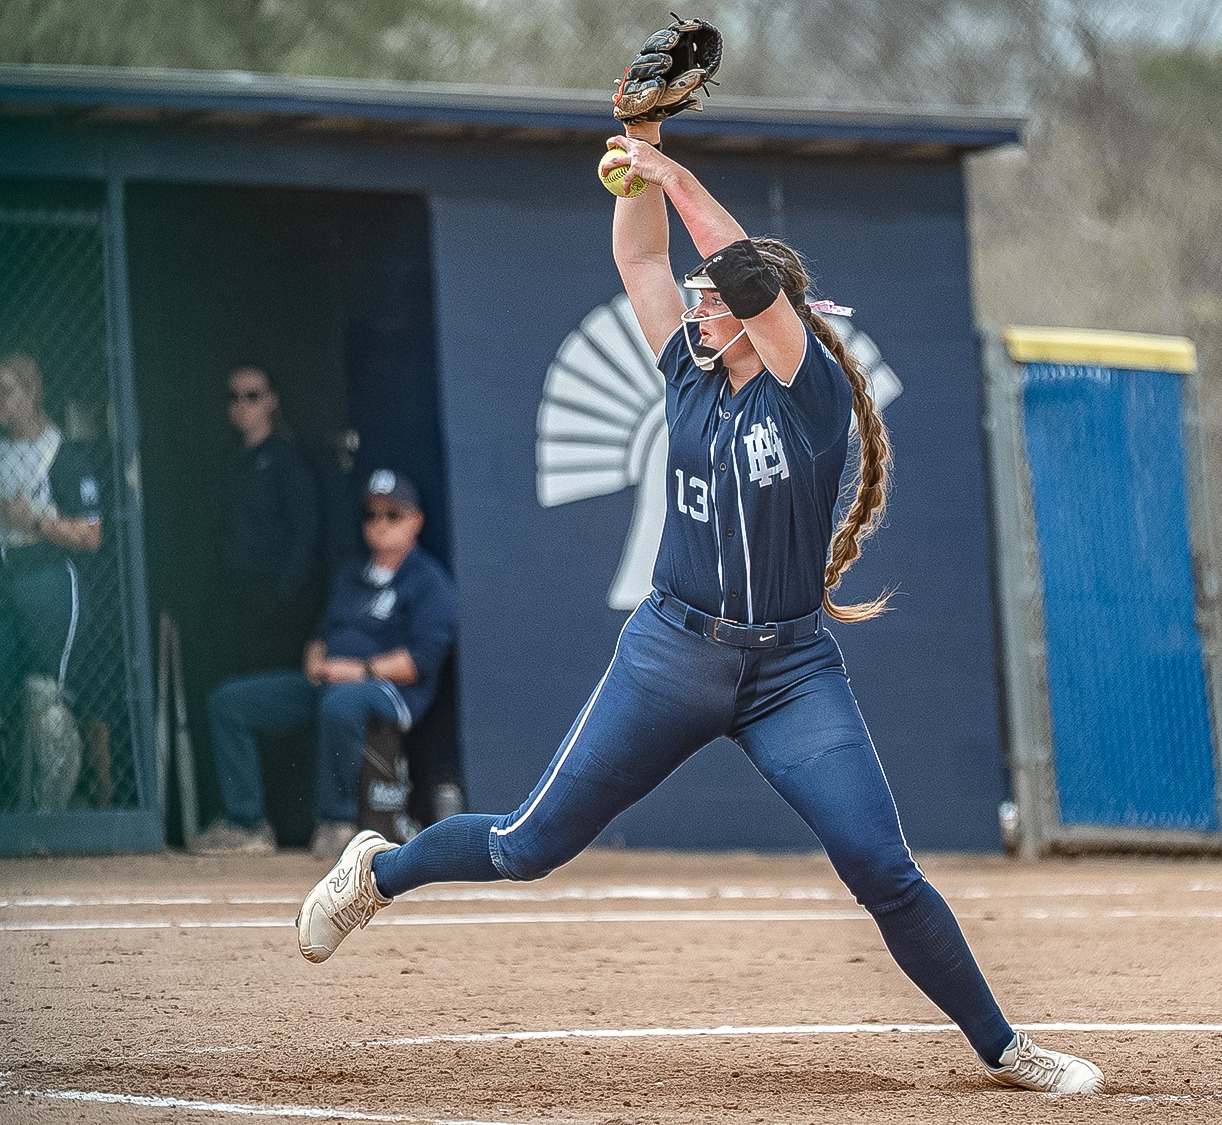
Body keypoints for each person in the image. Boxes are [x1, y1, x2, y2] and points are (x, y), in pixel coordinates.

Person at [290, 117, 1105, 1096]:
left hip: (788, 673)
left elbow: (740, 272)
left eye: (712, 297)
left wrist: (671, 170)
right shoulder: (687, 369)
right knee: (523, 848)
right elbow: (640, 249)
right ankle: (378, 873)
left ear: (769, 316)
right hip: (670, 653)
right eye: (699, 296)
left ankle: (1004, 1048)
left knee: (881, 869)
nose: (696, 303)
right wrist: (640, 143)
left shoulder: (807, 399)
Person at [192, 469, 458, 859]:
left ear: (416, 521)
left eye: (393, 515)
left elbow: (419, 662)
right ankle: (246, 823)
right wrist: (315, 656)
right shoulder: (352, 575)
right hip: (329, 680)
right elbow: (324, 633)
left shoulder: (429, 580)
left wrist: (359, 671)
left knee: (342, 702)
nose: (380, 524)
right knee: (229, 702)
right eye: (372, 515)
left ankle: (337, 822)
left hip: (390, 691)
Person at [0, 352, 103, 813]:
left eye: (7, 390)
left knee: (45, 703)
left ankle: (47, 818)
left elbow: (92, 535)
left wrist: (37, 522)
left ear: (33, 392)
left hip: (45, 574)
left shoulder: (63, 453)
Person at [215, 365, 320, 678]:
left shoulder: (288, 460)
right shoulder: (227, 460)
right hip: (233, 598)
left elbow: (307, 532)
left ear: (271, 401)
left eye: (252, 396)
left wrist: (284, 592)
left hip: (273, 601)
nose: (242, 405)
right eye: (233, 397)